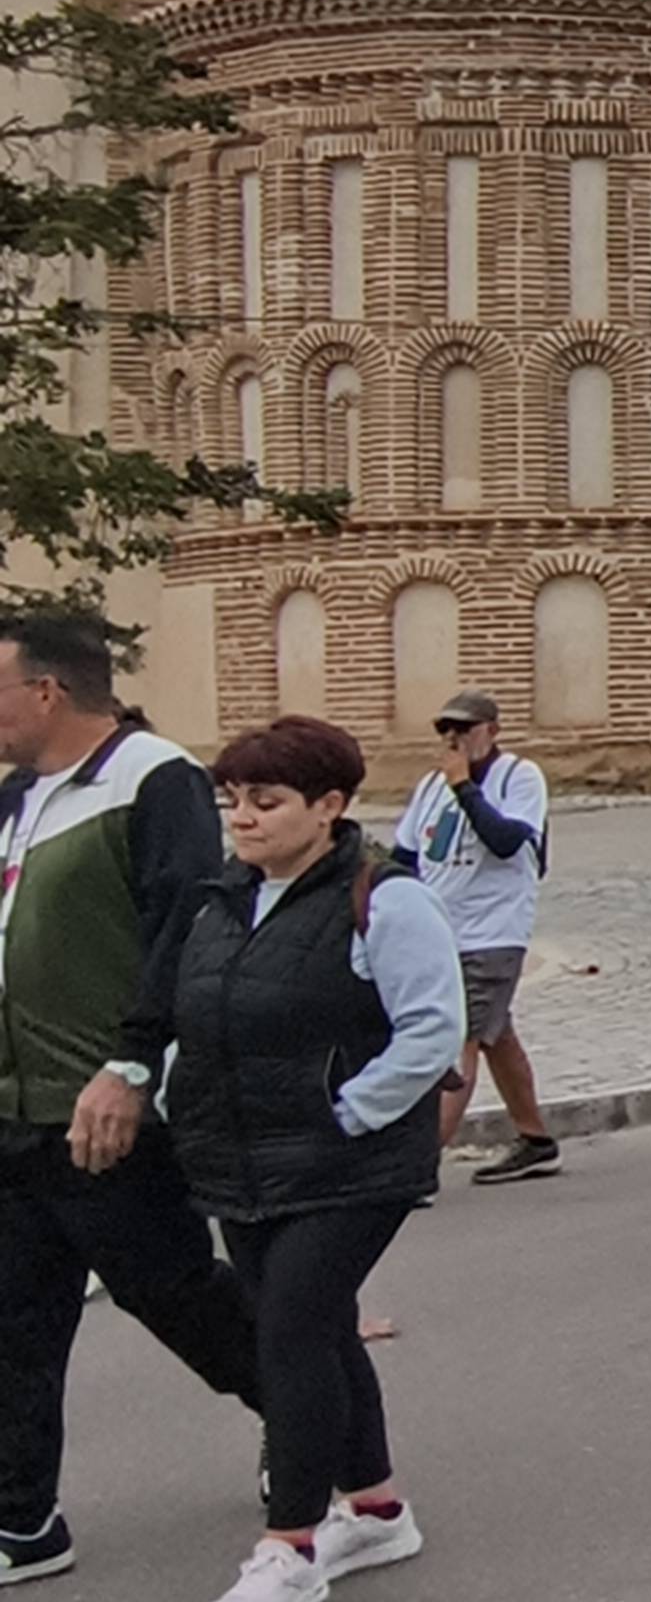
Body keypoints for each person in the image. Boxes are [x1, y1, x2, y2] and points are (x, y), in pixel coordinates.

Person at [160, 715, 461, 1602]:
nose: (243, 819)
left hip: (351, 1163)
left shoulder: (385, 898)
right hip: (242, 1158)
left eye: (267, 801)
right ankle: (374, 1510)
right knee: (318, 1329)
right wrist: (180, 1091)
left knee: (286, 1330)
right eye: (234, 802)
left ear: (329, 806)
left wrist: (348, 1112)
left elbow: (432, 1028)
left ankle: (289, 1546)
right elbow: (200, 1017)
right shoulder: (224, 901)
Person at [0, 614, 260, 1588]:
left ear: (47, 693)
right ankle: (23, 1520)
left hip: (104, 1108)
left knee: (175, 1295)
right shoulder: (20, 800)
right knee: (14, 1318)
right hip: (16, 1109)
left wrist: (133, 1067)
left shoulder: (155, 780)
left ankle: (314, 1421)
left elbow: (187, 928)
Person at [390, 691, 559, 1183]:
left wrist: (466, 788)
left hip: (492, 930)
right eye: (446, 730)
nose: (454, 739)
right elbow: (405, 855)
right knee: (495, 1034)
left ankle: (420, 1164)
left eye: (465, 729)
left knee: (458, 1036)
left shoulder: (518, 777)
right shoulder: (430, 786)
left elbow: (507, 841)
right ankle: (535, 1138)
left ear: (491, 729)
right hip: (440, 929)